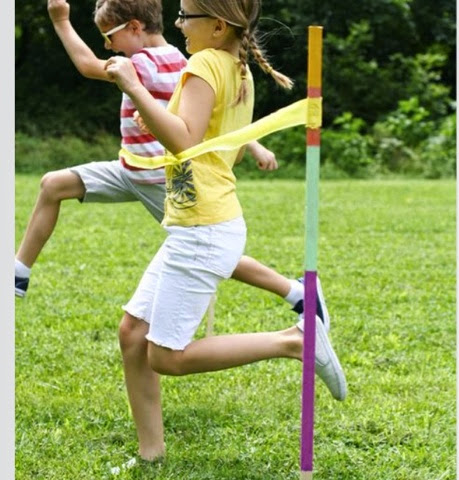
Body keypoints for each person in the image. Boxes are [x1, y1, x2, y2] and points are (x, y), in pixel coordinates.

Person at [105, 0, 347, 462]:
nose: (178, 25)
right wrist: (153, 114)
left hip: (204, 227)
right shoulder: (236, 68)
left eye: (185, 16)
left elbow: (185, 139)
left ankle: (296, 341)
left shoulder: (204, 64)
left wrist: (134, 87)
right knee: (133, 333)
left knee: (166, 356)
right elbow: (210, 142)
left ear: (217, 26)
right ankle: (151, 452)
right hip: (201, 223)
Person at [15, 0, 328, 334]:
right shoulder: (181, 59)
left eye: (109, 36)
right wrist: (251, 143)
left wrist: (61, 21)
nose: (108, 47)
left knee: (207, 251)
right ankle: (19, 271)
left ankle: (294, 291)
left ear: (135, 27)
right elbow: (211, 115)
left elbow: (87, 65)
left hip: (158, 177)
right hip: (129, 168)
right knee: (53, 184)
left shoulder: (143, 63)